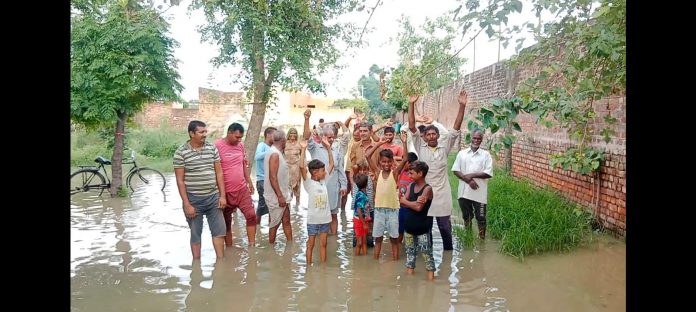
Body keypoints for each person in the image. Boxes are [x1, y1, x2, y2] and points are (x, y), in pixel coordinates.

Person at [407, 89, 469, 251]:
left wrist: (462, 106)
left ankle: (448, 255)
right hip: (425, 193)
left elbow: (455, 127)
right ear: (425, 137)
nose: (432, 136)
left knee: (444, 226)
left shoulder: (445, 146)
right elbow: (412, 126)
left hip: (442, 193)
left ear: (438, 135)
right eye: (429, 134)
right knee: (426, 228)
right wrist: (411, 104)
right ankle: (429, 259)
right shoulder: (420, 147)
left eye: (434, 134)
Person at [173, 120, 226, 259]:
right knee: (196, 234)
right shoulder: (181, 152)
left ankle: (221, 264)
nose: (204, 134)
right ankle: (196, 267)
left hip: (213, 198)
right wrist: (187, 204)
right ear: (191, 133)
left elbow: (219, 173)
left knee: (219, 232)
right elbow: (180, 180)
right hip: (193, 200)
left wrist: (222, 196)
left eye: (205, 131)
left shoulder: (212, 148)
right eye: (201, 132)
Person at [302, 109, 348, 235]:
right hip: (318, 191)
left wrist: (343, 185)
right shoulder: (315, 148)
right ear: (323, 137)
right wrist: (306, 119)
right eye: (328, 137)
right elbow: (306, 137)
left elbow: (339, 170)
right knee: (319, 217)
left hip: (333, 189)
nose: (331, 140)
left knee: (333, 215)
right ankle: (319, 240)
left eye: (333, 137)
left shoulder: (336, 151)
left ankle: (334, 241)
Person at [365, 134, 408, 261]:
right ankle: (375, 261)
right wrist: (379, 144)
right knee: (378, 238)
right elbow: (367, 156)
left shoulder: (394, 174)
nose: (386, 164)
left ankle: (395, 260)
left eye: (389, 161)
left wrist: (404, 142)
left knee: (394, 239)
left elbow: (405, 159)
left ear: (392, 162)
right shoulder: (377, 173)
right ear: (379, 162)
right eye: (383, 161)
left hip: (393, 211)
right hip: (379, 210)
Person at [215, 123, 257, 247]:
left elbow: (243, 164)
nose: (239, 140)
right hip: (225, 191)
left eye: (241, 138)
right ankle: (229, 248)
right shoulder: (217, 146)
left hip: (241, 189)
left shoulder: (240, 146)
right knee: (226, 222)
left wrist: (249, 182)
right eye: (237, 137)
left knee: (251, 216)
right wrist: (219, 193)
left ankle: (252, 246)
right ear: (229, 133)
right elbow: (214, 170)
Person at [298, 136, 334, 265]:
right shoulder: (308, 183)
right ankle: (308, 266)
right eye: (322, 171)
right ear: (314, 173)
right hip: (313, 220)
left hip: (325, 219)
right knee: (311, 244)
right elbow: (302, 167)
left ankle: (323, 268)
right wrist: (303, 149)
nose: (325, 172)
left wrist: (329, 148)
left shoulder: (324, 181)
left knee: (324, 244)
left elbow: (332, 165)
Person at [451, 129, 493, 239]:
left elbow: (488, 174)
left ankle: (482, 241)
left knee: (481, 218)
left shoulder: (486, 155)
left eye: (479, 138)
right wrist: (468, 180)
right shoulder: (462, 154)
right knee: (467, 217)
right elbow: (455, 170)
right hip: (464, 192)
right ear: (471, 138)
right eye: (474, 138)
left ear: (482, 139)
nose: (476, 140)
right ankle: (468, 238)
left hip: (480, 193)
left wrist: (472, 175)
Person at [399, 161, 435, 280]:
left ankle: (431, 282)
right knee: (410, 256)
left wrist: (406, 202)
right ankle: (410, 282)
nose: (409, 175)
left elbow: (418, 207)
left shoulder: (427, 189)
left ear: (420, 173)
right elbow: (402, 202)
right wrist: (411, 203)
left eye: (411, 173)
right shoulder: (411, 186)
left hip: (422, 229)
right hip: (409, 228)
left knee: (427, 255)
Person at [264, 129, 293, 244]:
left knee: (286, 220)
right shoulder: (275, 154)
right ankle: (271, 247)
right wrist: (280, 196)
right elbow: (272, 177)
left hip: (281, 193)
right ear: (283, 140)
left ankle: (290, 246)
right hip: (276, 195)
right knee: (274, 224)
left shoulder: (277, 152)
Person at [255, 127, 276, 224]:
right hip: (262, 180)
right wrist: (271, 151)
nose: (275, 137)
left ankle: (270, 228)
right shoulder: (262, 145)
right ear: (268, 135)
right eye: (274, 135)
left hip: (272, 180)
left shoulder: (274, 147)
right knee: (262, 205)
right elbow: (257, 156)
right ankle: (256, 227)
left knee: (272, 206)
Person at [398, 151, 419, 244]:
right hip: (401, 207)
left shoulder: (414, 176)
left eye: (404, 161)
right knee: (400, 229)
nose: (401, 163)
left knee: (412, 231)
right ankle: (399, 247)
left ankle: (412, 247)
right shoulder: (401, 171)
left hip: (410, 208)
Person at [352, 173, 370, 256]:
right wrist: (364, 223)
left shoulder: (363, 193)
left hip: (363, 219)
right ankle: (357, 258)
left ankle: (364, 259)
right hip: (359, 220)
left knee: (364, 241)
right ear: (366, 184)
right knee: (359, 242)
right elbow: (359, 210)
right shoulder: (361, 195)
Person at [284, 128, 302, 208]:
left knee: (297, 188)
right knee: (288, 187)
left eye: (295, 133)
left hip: (296, 167)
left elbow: (302, 157)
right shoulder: (284, 143)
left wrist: (303, 167)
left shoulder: (299, 144)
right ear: (289, 134)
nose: (293, 135)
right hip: (287, 167)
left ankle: (297, 207)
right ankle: (289, 206)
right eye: (291, 133)